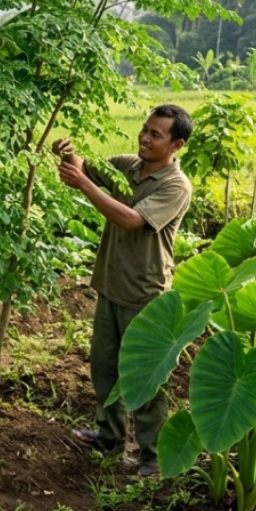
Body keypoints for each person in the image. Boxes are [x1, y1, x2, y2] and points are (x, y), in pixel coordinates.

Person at [51, 104, 194, 477]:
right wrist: (67, 153)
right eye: (144, 130)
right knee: (104, 369)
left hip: (144, 295)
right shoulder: (128, 166)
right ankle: (109, 438)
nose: (144, 138)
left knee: (145, 379)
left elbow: (132, 220)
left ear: (176, 144)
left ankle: (153, 457)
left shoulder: (175, 185)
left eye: (155, 135)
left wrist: (84, 185)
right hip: (111, 286)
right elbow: (85, 166)